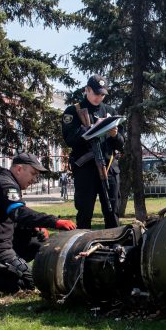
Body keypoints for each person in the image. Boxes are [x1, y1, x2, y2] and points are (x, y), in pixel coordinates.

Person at [0, 153, 76, 294]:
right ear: (19, 169)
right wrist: (54, 221)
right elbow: (19, 212)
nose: (34, 180)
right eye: (33, 174)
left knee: (38, 242)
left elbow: (10, 219)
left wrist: (34, 226)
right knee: (30, 282)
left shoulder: (7, 181)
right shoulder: (5, 185)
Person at [62, 75, 124, 229]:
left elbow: (122, 143)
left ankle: (115, 245)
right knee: (85, 213)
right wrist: (91, 128)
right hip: (86, 169)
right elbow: (69, 139)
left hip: (109, 167)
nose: (99, 97)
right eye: (96, 93)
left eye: (102, 94)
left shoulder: (109, 111)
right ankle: (82, 248)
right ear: (87, 90)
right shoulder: (73, 111)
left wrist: (114, 134)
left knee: (112, 212)